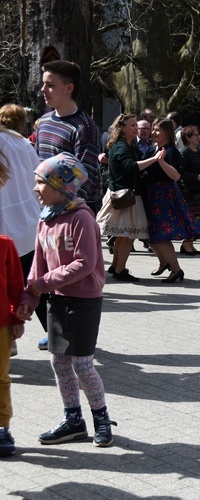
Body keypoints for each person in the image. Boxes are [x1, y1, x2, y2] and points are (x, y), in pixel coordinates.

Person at [16, 153, 117, 447]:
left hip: (84, 301)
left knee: (83, 365)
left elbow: (84, 263)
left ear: (62, 185)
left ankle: (101, 419)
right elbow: (38, 264)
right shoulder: (45, 219)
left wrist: (42, 284)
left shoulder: (81, 218)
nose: (36, 188)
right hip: (57, 301)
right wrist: (29, 297)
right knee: (59, 363)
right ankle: (73, 420)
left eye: (41, 182)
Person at [34, 60, 101, 350]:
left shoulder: (84, 126)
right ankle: (55, 328)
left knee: (68, 270)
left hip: (71, 213)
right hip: (43, 208)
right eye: (44, 83)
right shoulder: (44, 122)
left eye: (50, 84)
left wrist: (73, 213)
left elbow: (85, 175)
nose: (44, 89)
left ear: (69, 88)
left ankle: (70, 332)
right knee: (46, 266)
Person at [96, 114, 165, 282]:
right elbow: (132, 167)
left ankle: (115, 266)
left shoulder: (124, 145)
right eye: (132, 125)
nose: (136, 128)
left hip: (124, 194)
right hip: (126, 196)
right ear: (122, 128)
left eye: (136, 124)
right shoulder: (122, 147)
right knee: (127, 235)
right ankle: (120, 270)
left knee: (122, 235)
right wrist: (154, 159)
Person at [141, 118, 200, 283]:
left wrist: (160, 161)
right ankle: (164, 263)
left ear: (167, 132)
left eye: (158, 130)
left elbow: (175, 176)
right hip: (151, 194)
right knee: (151, 234)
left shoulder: (172, 151)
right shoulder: (151, 148)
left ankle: (175, 270)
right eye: (153, 129)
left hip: (164, 196)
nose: (154, 132)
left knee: (161, 235)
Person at [0, 125, 42, 358]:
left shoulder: (15, 142)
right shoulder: (20, 141)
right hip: (27, 226)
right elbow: (38, 176)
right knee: (21, 286)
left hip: (11, 228)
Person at [0, 234, 25, 456]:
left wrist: (17, 319)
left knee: (0, 378)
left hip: (0, 324)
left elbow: (16, 285)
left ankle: (2, 428)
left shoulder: (5, 244)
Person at [177, 125, 200, 255]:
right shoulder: (184, 152)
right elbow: (181, 173)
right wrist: (197, 176)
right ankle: (186, 243)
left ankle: (190, 243)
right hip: (189, 191)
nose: (198, 137)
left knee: (196, 218)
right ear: (188, 137)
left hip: (199, 189)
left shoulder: (198, 150)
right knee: (191, 217)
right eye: (195, 135)